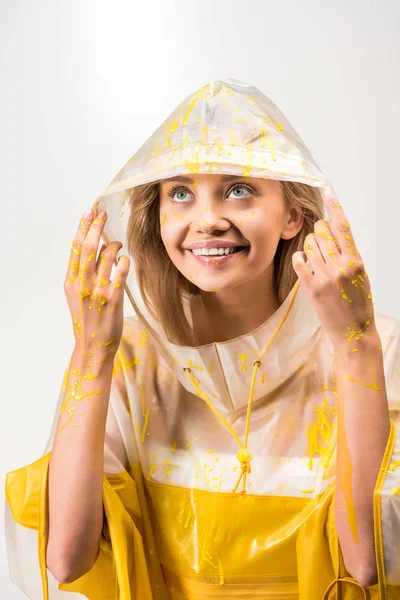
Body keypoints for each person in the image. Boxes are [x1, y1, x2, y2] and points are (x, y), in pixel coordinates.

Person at [5, 78, 400, 599]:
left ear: (292, 217)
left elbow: (367, 562)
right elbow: (67, 558)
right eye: (181, 193)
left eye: (239, 189)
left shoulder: (374, 350)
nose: (208, 220)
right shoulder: (130, 358)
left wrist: (356, 347)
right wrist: (89, 356)